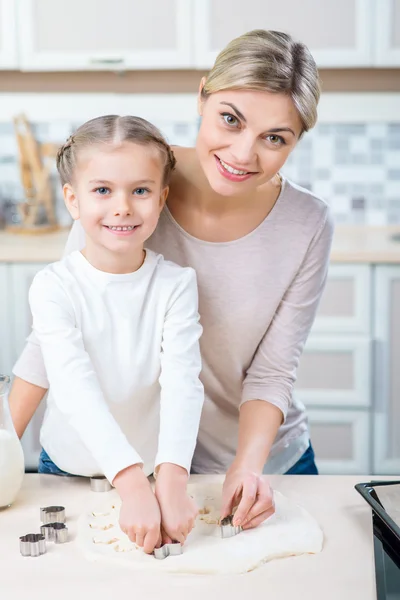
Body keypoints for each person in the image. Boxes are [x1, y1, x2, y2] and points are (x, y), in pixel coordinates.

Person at [10, 29, 333, 534]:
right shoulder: (130, 184)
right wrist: (6, 443)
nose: (244, 154)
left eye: (276, 137)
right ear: (202, 95)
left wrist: (247, 467)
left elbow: (272, 371)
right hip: (140, 462)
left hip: (261, 463)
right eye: (230, 118)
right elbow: (55, 338)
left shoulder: (308, 223)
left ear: (297, 140)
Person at [22, 115, 204, 554]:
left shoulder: (177, 284)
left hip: (157, 473)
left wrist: (172, 478)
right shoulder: (53, 286)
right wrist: (130, 486)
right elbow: (73, 386)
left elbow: (183, 383)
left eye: (140, 190)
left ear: (161, 199)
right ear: (73, 199)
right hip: (66, 468)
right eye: (102, 190)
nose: (122, 206)